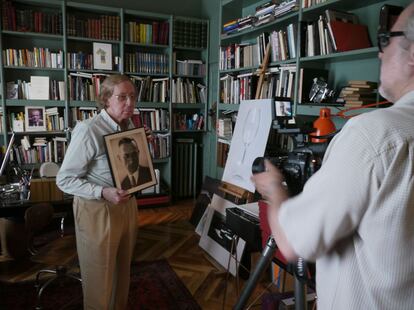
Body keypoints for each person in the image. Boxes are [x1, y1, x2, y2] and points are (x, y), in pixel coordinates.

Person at [252, 4, 414, 310]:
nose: (380, 54)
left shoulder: (374, 134)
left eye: (385, 39)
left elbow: (295, 240)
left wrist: (274, 188)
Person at [56, 74, 152, 309]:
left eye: (132, 96)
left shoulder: (129, 126)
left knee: (122, 271)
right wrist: (102, 191)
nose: (130, 103)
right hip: (97, 210)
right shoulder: (89, 130)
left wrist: (141, 143)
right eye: (122, 97)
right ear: (106, 100)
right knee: (99, 276)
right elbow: (64, 179)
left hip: (126, 205)